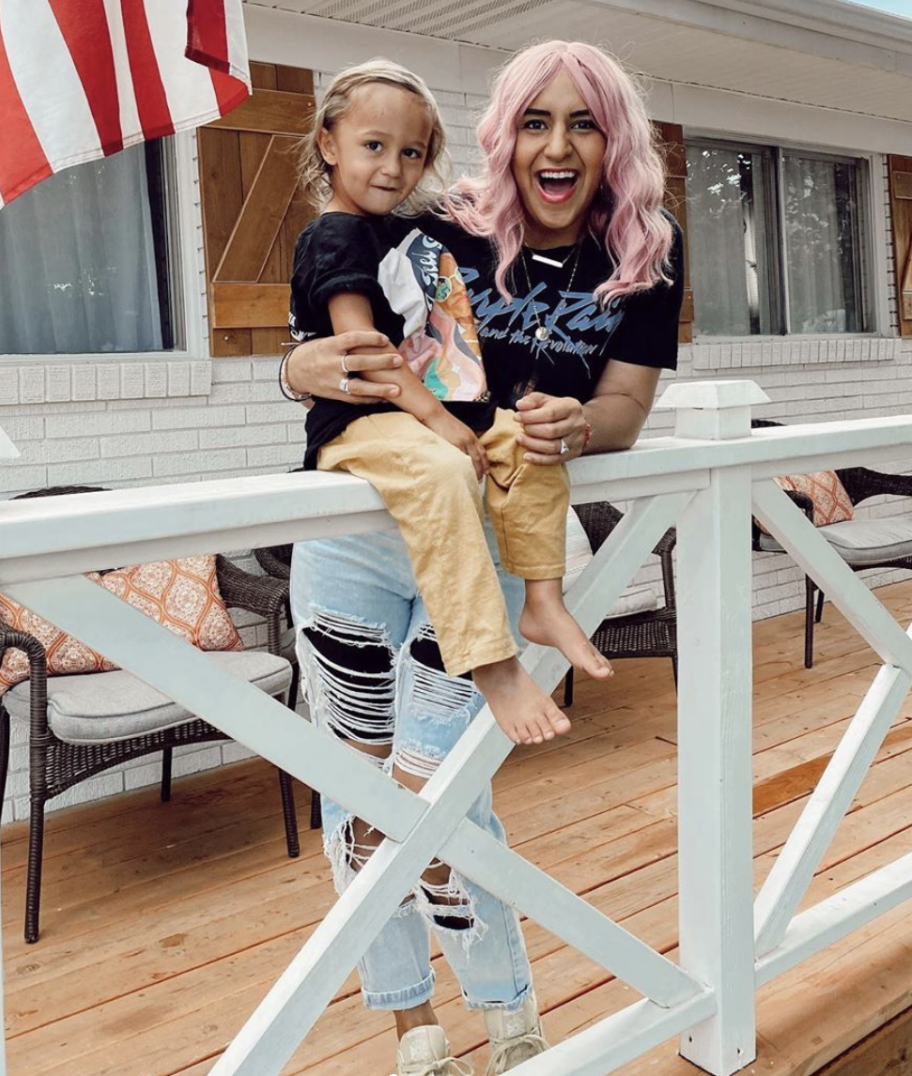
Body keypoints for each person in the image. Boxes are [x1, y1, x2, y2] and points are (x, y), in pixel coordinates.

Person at [282, 40, 684, 1076]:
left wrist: (578, 427)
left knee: (439, 788)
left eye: (584, 122)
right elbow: (335, 310)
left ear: (613, 139)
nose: (558, 145)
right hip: (358, 536)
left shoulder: (642, 252)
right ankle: (410, 1024)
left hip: (491, 535)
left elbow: (626, 405)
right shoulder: (439, 222)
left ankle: (507, 1013)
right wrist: (297, 365)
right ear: (506, 134)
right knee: (352, 781)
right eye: (537, 121)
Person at [290, 59, 611, 750]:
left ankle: (544, 603)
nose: (393, 167)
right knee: (442, 474)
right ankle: (492, 664)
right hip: (366, 422)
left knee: (527, 444)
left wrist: (468, 418)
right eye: (374, 146)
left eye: (412, 152)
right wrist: (437, 421)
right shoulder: (334, 235)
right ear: (327, 143)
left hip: (435, 417)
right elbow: (365, 354)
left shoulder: (409, 230)